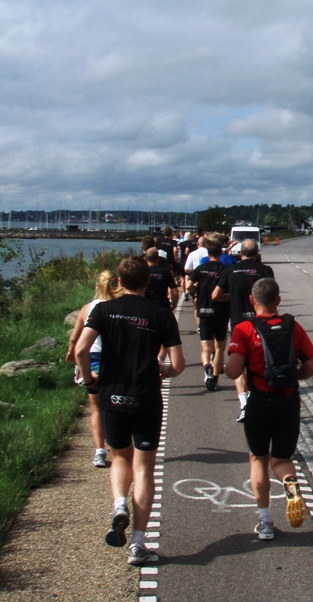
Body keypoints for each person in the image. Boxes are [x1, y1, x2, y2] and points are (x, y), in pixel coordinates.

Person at [75, 256, 185, 566]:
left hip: (113, 396)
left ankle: (119, 503)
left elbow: (82, 349)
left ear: (120, 282)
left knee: (120, 457)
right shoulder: (162, 315)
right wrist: (163, 372)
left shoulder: (103, 310)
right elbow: (177, 365)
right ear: (148, 281)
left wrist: (89, 377)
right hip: (146, 397)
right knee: (144, 468)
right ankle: (138, 543)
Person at [225, 277, 313, 540]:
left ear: (252, 301)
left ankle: (265, 523)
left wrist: (227, 366)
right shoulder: (293, 327)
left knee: (258, 459)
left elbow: (233, 370)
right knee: (282, 460)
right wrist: (293, 378)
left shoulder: (244, 329)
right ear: (278, 300)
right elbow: (311, 366)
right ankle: (289, 482)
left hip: (259, 402)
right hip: (288, 401)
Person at [212, 239, 275, 421]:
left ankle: (244, 404)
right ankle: (262, 399)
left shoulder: (230, 270)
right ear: (257, 253)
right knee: (261, 361)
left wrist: (231, 298)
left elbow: (215, 295)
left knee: (239, 362)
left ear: (241, 253)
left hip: (239, 322)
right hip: (262, 322)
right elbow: (272, 296)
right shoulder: (265, 271)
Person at [65, 270, 121, 468]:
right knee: (117, 405)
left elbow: (75, 336)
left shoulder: (88, 308)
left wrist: (71, 351)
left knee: (96, 408)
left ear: (97, 285)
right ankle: (121, 448)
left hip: (93, 358)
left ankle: (99, 450)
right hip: (115, 359)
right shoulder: (120, 308)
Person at [188, 239, 231, 391]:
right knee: (219, 347)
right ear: (221, 253)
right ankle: (214, 377)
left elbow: (188, 285)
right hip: (221, 311)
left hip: (204, 310)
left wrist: (197, 293)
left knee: (206, 348)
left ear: (208, 253)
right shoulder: (226, 269)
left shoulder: (201, 268)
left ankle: (207, 367)